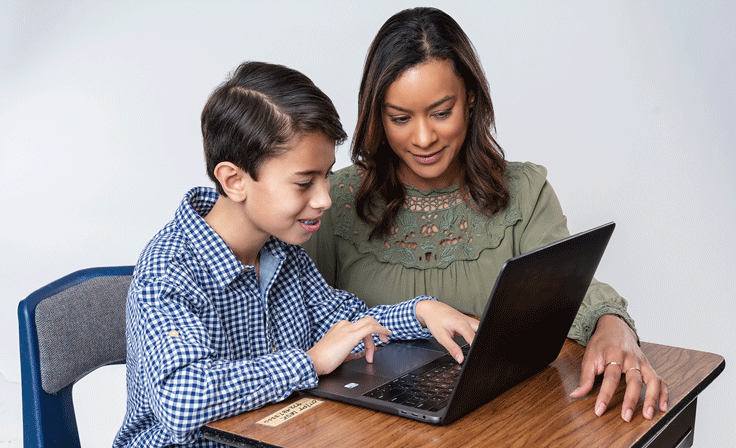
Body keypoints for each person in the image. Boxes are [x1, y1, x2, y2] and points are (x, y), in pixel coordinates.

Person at [303, 7, 668, 423]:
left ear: (471, 99)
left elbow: (567, 292)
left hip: (502, 418)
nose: (423, 138)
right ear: (377, 115)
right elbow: (295, 317)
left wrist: (612, 324)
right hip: (363, 428)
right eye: (400, 118)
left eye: (442, 112)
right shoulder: (331, 198)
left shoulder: (525, 193)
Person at [114, 61, 477, 447]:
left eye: (326, 176)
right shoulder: (168, 271)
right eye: (304, 183)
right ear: (234, 180)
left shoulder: (283, 251)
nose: (323, 199)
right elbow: (181, 399)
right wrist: (310, 363)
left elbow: (346, 328)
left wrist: (422, 311)